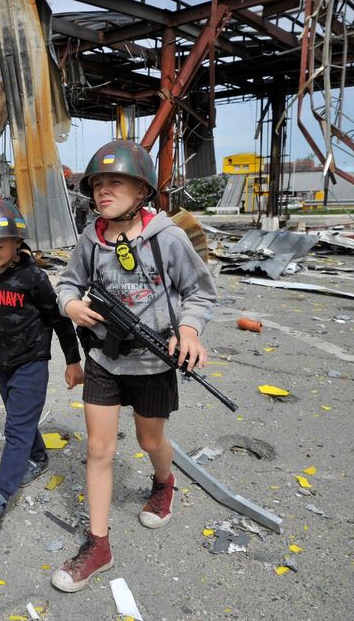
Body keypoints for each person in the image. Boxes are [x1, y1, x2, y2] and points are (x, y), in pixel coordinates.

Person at [50, 140, 216, 592]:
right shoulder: (92, 236)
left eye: (115, 182)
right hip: (104, 359)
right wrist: (70, 306)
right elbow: (68, 282)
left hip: (153, 362)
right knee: (98, 450)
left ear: (142, 188)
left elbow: (200, 292)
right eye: (98, 184)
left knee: (150, 439)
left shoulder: (168, 237)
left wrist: (190, 331)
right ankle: (98, 544)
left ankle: (164, 482)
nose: (103, 191)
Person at [0, 199, 84, 530]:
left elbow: (60, 321)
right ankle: (38, 457)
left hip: (32, 362)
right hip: (2, 361)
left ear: (18, 242)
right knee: (21, 419)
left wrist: (73, 360)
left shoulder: (34, 279)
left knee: (15, 428)